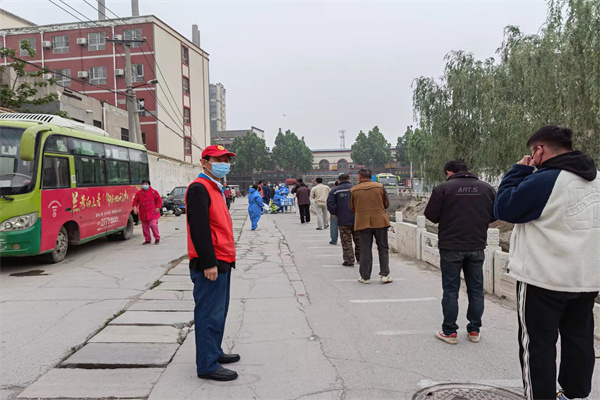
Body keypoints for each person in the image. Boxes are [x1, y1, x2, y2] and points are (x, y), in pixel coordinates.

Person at [494, 126, 600, 400]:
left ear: (539, 150)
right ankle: (574, 395)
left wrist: (518, 170)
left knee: (538, 346)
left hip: (543, 279)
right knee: (579, 340)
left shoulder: (545, 180)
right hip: (586, 278)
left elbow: (503, 207)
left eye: (533, 152)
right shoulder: (598, 180)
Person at [423, 160, 496, 345]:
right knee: (476, 290)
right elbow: (495, 213)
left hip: (451, 246)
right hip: (476, 245)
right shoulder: (486, 188)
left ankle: (450, 332)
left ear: (449, 172)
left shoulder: (443, 188)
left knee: (450, 290)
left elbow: (431, 215)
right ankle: (474, 330)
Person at [185, 144, 240, 382]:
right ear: (204, 162)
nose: (224, 164)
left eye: (226, 160)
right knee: (208, 314)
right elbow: (199, 229)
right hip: (210, 263)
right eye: (218, 160)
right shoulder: (199, 188)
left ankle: (214, 352)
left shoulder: (215, 188)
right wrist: (208, 263)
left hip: (223, 260)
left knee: (219, 312)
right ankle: (207, 365)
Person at [350, 169, 392, 284]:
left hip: (363, 222)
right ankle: (384, 275)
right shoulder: (380, 187)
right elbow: (386, 204)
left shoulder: (354, 190)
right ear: (370, 176)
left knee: (365, 250)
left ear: (359, 177)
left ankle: (365, 277)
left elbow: (352, 207)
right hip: (380, 221)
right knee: (383, 248)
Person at [328, 174, 360, 266]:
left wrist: (335, 213)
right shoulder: (356, 189)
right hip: (357, 219)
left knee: (346, 241)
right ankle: (361, 258)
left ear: (339, 181)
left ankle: (349, 260)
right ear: (349, 180)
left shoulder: (335, 191)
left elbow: (330, 204)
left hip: (343, 220)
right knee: (359, 241)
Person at [132, 179, 162, 245]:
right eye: (143, 184)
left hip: (153, 212)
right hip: (143, 213)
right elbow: (135, 201)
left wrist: (158, 207)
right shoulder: (139, 193)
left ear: (149, 185)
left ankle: (157, 238)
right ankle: (147, 239)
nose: (144, 185)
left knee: (153, 225)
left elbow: (159, 201)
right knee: (145, 227)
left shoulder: (154, 192)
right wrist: (135, 208)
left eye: (146, 184)